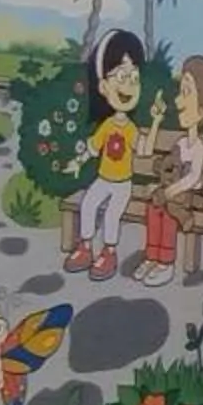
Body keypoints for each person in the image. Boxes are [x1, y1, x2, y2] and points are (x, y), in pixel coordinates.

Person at [63, 29, 147, 282]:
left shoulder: (130, 129)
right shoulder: (108, 125)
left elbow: (143, 149)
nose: (128, 85)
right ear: (103, 86)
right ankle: (86, 247)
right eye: (121, 76)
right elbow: (93, 147)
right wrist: (77, 162)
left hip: (122, 183)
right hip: (103, 178)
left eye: (134, 78)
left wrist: (154, 124)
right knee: (88, 203)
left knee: (112, 214)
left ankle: (109, 252)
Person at [136, 56, 203, 286]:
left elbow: (192, 178)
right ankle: (152, 256)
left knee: (169, 211)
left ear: (200, 110)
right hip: (173, 192)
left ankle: (166, 262)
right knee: (154, 209)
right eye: (180, 92)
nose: (178, 100)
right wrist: (161, 182)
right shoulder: (181, 143)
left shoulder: (197, 146)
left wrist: (169, 191)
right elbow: (169, 166)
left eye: (185, 93)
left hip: (189, 197)